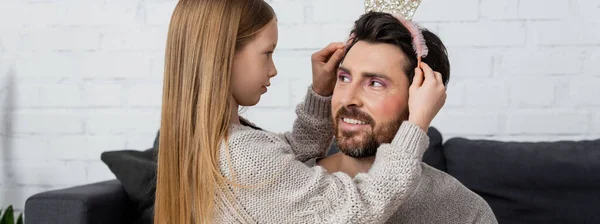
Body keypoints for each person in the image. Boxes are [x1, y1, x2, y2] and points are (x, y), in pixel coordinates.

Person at [154, 0, 445, 223]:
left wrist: (320, 93)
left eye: (374, 82)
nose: (273, 69)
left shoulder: (220, 144)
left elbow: (290, 165)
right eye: (267, 53)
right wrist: (416, 126)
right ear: (224, 54)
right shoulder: (242, 156)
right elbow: (358, 209)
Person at [317, 12, 498, 223]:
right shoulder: (294, 181)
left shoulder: (466, 211)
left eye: (375, 83)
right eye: (344, 78)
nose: (348, 98)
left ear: (419, 94)